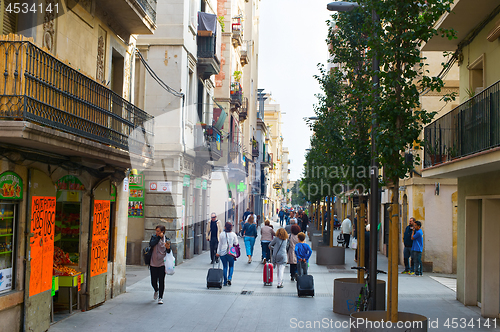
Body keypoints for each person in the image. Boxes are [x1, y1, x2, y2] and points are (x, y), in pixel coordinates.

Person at [149, 225, 171, 304]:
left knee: (161, 280)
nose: (156, 232)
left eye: (158, 231)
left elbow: (168, 252)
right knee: (153, 281)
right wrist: (158, 238)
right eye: (156, 231)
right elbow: (151, 244)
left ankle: (160, 297)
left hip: (162, 263)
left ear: (162, 232)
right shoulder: (154, 238)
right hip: (153, 262)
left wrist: (168, 248)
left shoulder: (167, 240)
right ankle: (156, 290)